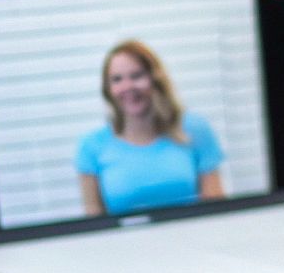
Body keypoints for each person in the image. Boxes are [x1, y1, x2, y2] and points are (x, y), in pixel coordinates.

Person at [77, 39, 225, 216]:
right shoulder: (92, 145)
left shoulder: (194, 128)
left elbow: (216, 209)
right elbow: (94, 223)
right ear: (108, 89)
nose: (127, 87)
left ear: (155, 79)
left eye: (136, 76)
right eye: (117, 79)